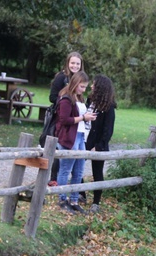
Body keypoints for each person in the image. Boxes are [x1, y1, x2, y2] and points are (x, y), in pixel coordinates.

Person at [55, 71, 97, 214]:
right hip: (69, 137)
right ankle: (62, 199)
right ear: (75, 83)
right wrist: (83, 118)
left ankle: (74, 200)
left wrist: (87, 118)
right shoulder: (66, 98)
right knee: (66, 169)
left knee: (79, 170)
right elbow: (64, 120)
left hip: (80, 136)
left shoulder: (79, 98)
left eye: (85, 87)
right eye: (82, 87)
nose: (84, 90)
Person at [48, 52, 83, 187]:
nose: (75, 66)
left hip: (75, 118)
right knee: (59, 145)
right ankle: (54, 177)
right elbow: (52, 97)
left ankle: (71, 181)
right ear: (68, 63)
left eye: (77, 63)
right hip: (61, 117)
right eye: (72, 63)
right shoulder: (62, 77)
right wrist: (65, 101)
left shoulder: (80, 78)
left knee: (75, 149)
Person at [85, 75, 116, 214]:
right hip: (85, 140)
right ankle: (80, 194)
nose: (91, 86)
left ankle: (96, 202)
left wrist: (98, 146)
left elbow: (107, 131)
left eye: (94, 84)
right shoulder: (90, 101)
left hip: (99, 145)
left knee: (97, 173)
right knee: (75, 166)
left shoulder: (109, 108)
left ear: (101, 88)